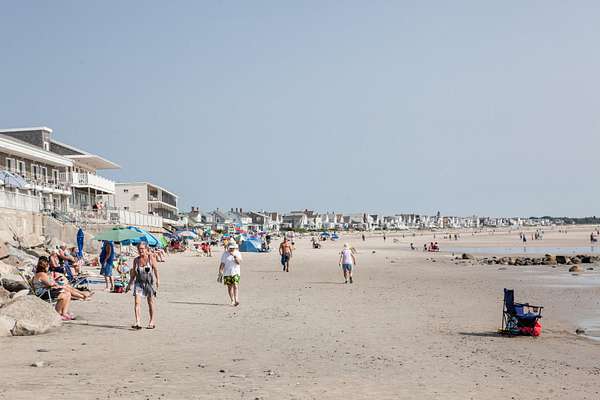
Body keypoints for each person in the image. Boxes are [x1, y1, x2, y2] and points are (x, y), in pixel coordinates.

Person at [127, 242, 160, 330]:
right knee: (137, 302)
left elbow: (156, 269)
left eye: (142, 248)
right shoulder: (136, 260)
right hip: (139, 283)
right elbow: (133, 274)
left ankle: (152, 321)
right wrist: (129, 284)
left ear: (146, 249)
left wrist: (158, 280)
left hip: (149, 283)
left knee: (150, 302)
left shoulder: (151, 258)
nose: (140, 250)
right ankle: (138, 322)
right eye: (139, 249)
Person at [33, 256, 74, 320]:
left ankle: (64, 313)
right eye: (48, 266)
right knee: (63, 296)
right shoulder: (42, 274)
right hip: (42, 294)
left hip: (46, 291)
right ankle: (57, 314)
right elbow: (50, 284)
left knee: (68, 293)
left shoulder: (41, 274)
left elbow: (49, 283)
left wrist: (55, 282)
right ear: (45, 267)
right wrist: (56, 282)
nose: (48, 267)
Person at [218, 242, 242, 306]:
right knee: (229, 287)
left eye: (233, 248)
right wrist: (220, 271)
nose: (231, 249)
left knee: (235, 285)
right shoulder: (225, 254)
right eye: (230, 248)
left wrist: (234, 256)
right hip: (227, 273)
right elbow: (222, 263)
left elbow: (238, 262)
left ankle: (236, 300)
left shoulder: (238, 253)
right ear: (228, 247)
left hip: (235, 272)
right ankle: (232, 300)